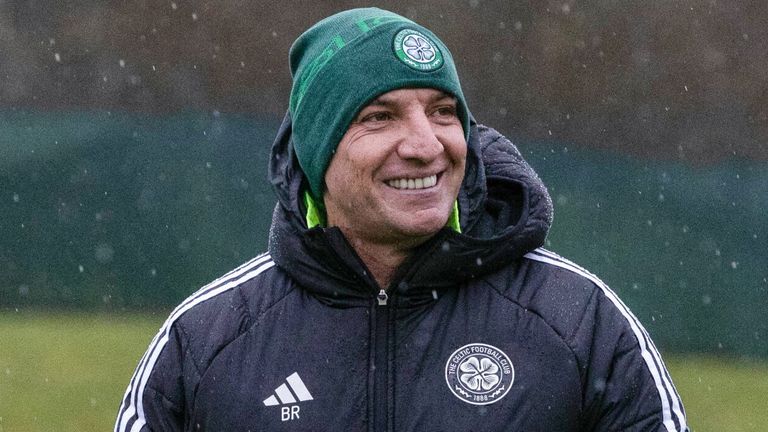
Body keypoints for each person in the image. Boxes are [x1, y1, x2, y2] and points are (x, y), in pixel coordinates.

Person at [115, 7, 688, 432]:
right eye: (379, 117)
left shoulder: (580, 322)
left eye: (443, 112)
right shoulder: (206, 341)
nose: (425, 144)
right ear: (320, 154)